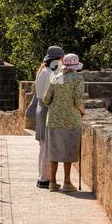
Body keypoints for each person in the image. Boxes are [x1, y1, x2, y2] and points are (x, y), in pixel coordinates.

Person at [42, 52, 87, 191]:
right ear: (76, 66)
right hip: (71, 120)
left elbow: (46, 99)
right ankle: (67, 182)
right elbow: (78, 99)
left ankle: (53, 183)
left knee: (53, 151)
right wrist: (83, 111)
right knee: (69, 150)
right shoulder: (78, 79)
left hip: (54, 120)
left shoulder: (56, 77)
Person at [33, 45, 64, 188]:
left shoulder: (41, 71)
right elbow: (57, 95)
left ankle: (41, 176)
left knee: (42, 146)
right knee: (47, 148)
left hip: (40, 109)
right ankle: (45, 179)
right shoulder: (54, 72)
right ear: (57, 59)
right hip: (47, 110)